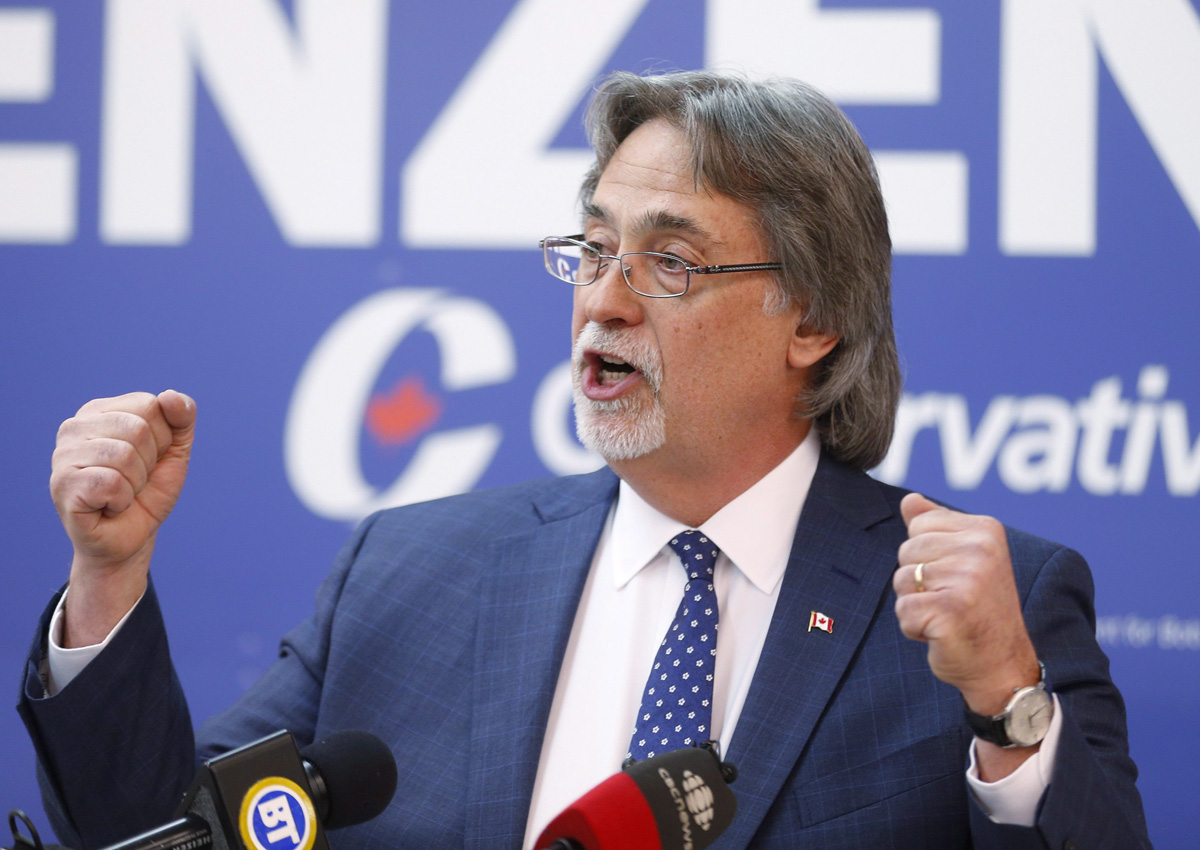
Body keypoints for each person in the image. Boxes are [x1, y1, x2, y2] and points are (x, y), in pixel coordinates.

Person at [20, 71, 1150, 850]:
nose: (602, 300)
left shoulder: (987, 612)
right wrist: (109, 576)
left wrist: (1008, 706)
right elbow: (154, 830)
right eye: (594, 248)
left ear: (811, 320)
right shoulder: (407, 574)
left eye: (670, 262)